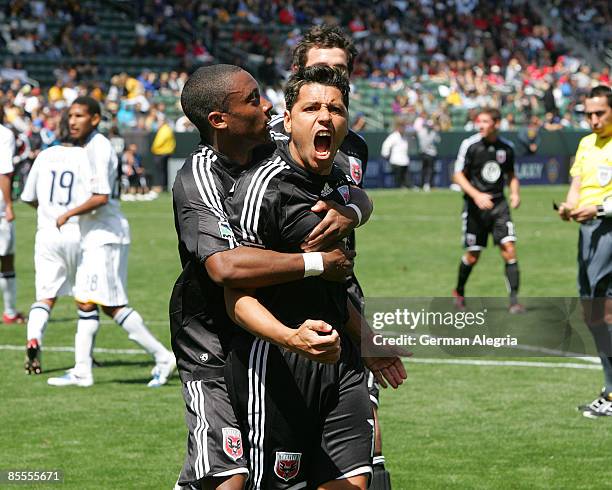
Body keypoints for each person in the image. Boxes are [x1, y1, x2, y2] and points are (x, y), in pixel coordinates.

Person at [171, 65, 370, 490]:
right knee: (229, 479)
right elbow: (224, 268)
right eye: (252, 99)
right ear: (219, 120)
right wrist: (316, 263)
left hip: (272, 337)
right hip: (212, 344)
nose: (265, 105)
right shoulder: (199, 179)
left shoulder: (279, 139)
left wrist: (353, 210)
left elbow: (351, 183)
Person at [224, 65, 405, 490]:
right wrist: (291, 338)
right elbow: (236, 296)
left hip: (340, 362)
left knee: (353, 483)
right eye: (311, 108)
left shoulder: (340, 183)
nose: (325, 117)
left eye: (335, 109)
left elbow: (333, 283)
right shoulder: (262, 189)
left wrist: (364, 341)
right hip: (277, 366)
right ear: (288, 121)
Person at [276, 24, 391, 490]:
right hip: (283, 296)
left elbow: (357, 196)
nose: (330, 79)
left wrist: (355, 209)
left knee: (365, 427)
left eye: (339, 72)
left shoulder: (353, 142)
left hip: (340, 287)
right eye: (318, 70)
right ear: (297, 75)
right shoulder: (269, 137)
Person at [47, 96, 176, 388]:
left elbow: (101, 196)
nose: (72, 121)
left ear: (94, 118)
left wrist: (67, 213)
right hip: (94, 234)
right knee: (86, 299)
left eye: (80, 115)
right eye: (71, 116)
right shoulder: (89, 147)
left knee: (112, 304)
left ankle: (161, 356)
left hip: (106, 236)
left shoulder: (99, 147)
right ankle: (82, 370)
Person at [557, 85, 612, 418]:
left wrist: (599, 210)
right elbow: (577, 186)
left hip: (608, 227)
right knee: (590, 310)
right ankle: (609, 388)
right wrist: (569, 206)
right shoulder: (585, 144)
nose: (593, 120)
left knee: (601, 311)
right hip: (588, 231)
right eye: (588, 114)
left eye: (600, 113)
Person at [21, 111, 89, 374]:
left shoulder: (45, 155)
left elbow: (28, 196)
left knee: (45, 297)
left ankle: (34, 338)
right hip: (79, 231)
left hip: (48, 233)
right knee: (86, 301)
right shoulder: (87, 156)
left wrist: (46, 207)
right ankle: (84, 358)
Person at [451, 107, 524, 313]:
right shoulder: (470, 145)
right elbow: (457, 175)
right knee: (473, 255)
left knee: (509, 249)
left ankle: (514, 301)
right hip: (475, 209)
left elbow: (511, 175)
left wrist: (515, 193)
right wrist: (476, 195)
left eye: (484, 121)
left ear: (496, 124)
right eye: (478, 122)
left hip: (499, 206)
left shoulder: (507, 148)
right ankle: (459, 291)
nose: (480, 125)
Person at [0, 106, 23, 323]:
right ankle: (9, 311)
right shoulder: (4, 135)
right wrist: (8, 205)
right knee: (6, 258)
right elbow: (4, 173)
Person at [381, 119, 411, 189]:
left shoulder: (405, 136)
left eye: (404, 127)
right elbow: (386, 145)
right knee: (398, 181)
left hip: (405, 161)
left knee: (406, 181)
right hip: (396, 162)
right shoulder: (393, 136)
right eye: (401, 127)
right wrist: (386, 155)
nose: (403, 129)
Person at [150, 113, 176, 192]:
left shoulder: (165, 129)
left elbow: (158, 142)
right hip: (163, 153)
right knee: (162, 171)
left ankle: (161, 187)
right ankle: (162, 186)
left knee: (161, 172)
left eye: (159, 121)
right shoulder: (165, 129)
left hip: (162, 153)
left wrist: (153, 148)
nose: (158, 122)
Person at [416, 120, 440, 192]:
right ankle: (423, 184)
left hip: (431, 153)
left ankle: (430, 184)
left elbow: (438, 140)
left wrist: (436, 132)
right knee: (424, 169)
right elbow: (424, 143)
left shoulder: (433, 132)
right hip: (424, 153)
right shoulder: (422, 132)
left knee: (430, 169)